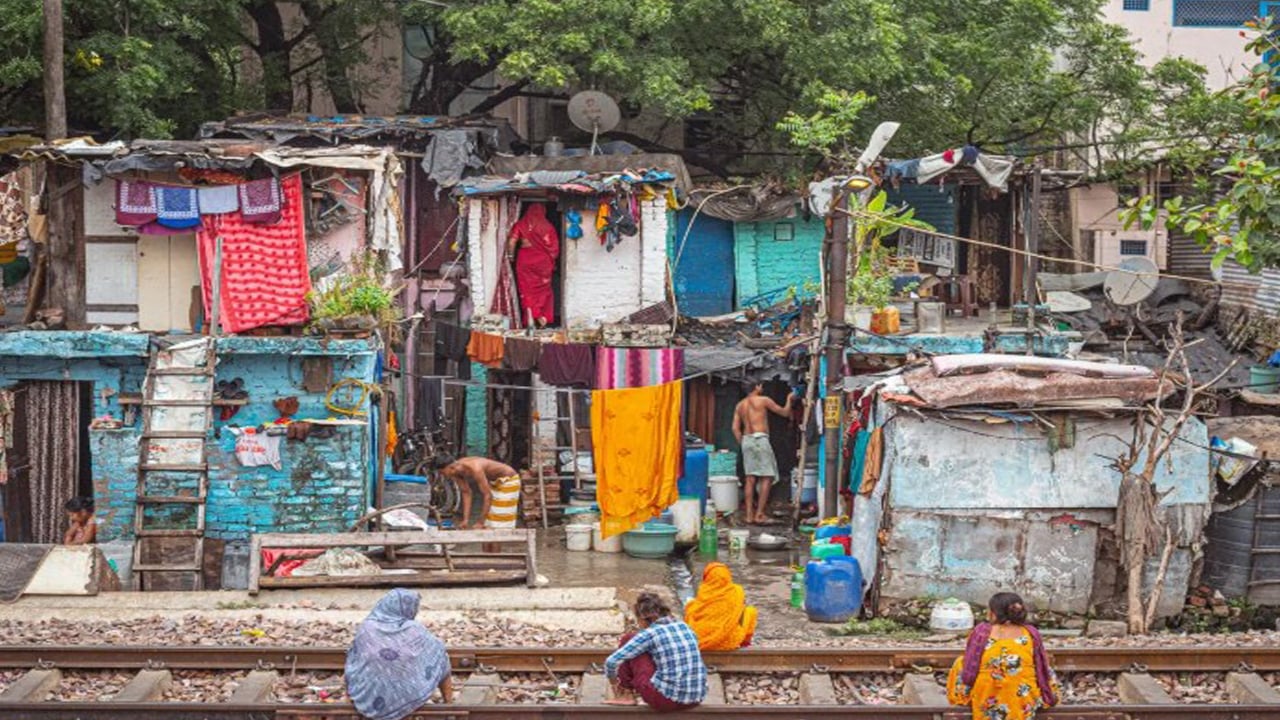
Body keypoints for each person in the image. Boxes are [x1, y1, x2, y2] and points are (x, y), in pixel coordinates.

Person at [947, 592, 1061, 720]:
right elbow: (1040, 665)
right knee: (1043, 666)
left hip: (986, 695)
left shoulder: (981, 632)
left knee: (961, 662)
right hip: (1023, 696)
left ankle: (965, 696)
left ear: (993, 612)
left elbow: (970, 665)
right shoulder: (1030, 633)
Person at [345, 589, 452, 720]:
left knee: (353, 661)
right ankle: (448, 703)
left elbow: (354, 662)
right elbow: (437, 649)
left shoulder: (367, 627)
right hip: (410, 693)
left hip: (368, 696)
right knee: (439, 653)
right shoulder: (414, 629)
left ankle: (350, 703)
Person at [605, 592, 707, 711]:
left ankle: (625, 694)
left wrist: (614, 682)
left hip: (666, 700)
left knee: (629, 639)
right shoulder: (685, 627)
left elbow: (611, 662)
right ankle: (629, 692)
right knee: (648, 648)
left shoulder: (650, 633)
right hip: (696, 699)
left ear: (643, 618)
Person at [731, 384, 795, 524]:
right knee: (767, 477)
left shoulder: (740, 405)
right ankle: (759, 514)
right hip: (760, 439)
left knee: (750, 478)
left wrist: (743, 443)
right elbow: (784, 412)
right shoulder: (763, 400)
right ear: (757, 387)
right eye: (761, 385)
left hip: (746, 440)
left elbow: (735, 428)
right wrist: (789, 399)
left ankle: (749, 515)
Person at [506, 203, 560, 327]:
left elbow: (512, 241)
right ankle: (542, 316)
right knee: (544, 289)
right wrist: (552, 261)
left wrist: (510, 257)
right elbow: (554, 248)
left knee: (526, 290)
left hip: (526, 260)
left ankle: (534, 317)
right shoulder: (548, 227)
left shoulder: (521, 224)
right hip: (543, 263)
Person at [432, 455, 521, 530]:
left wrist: (480, 522)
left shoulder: (475, 468)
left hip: (508, 481)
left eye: (442, 472)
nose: (442, 475)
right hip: (494, 483)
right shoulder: (455, 472)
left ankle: (497, 541)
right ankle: (490, 544)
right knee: (489, 523)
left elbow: (487, 496)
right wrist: (465, 520)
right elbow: (466, 493)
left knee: (499, 521)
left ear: (450, 467)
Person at [684, 562, 757, 651]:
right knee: (750, 611)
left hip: (700, 639)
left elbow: (694, 611)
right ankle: (745, 643)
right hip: (729, 642)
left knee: (690, 606)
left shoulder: (704, 591)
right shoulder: (736, 591)